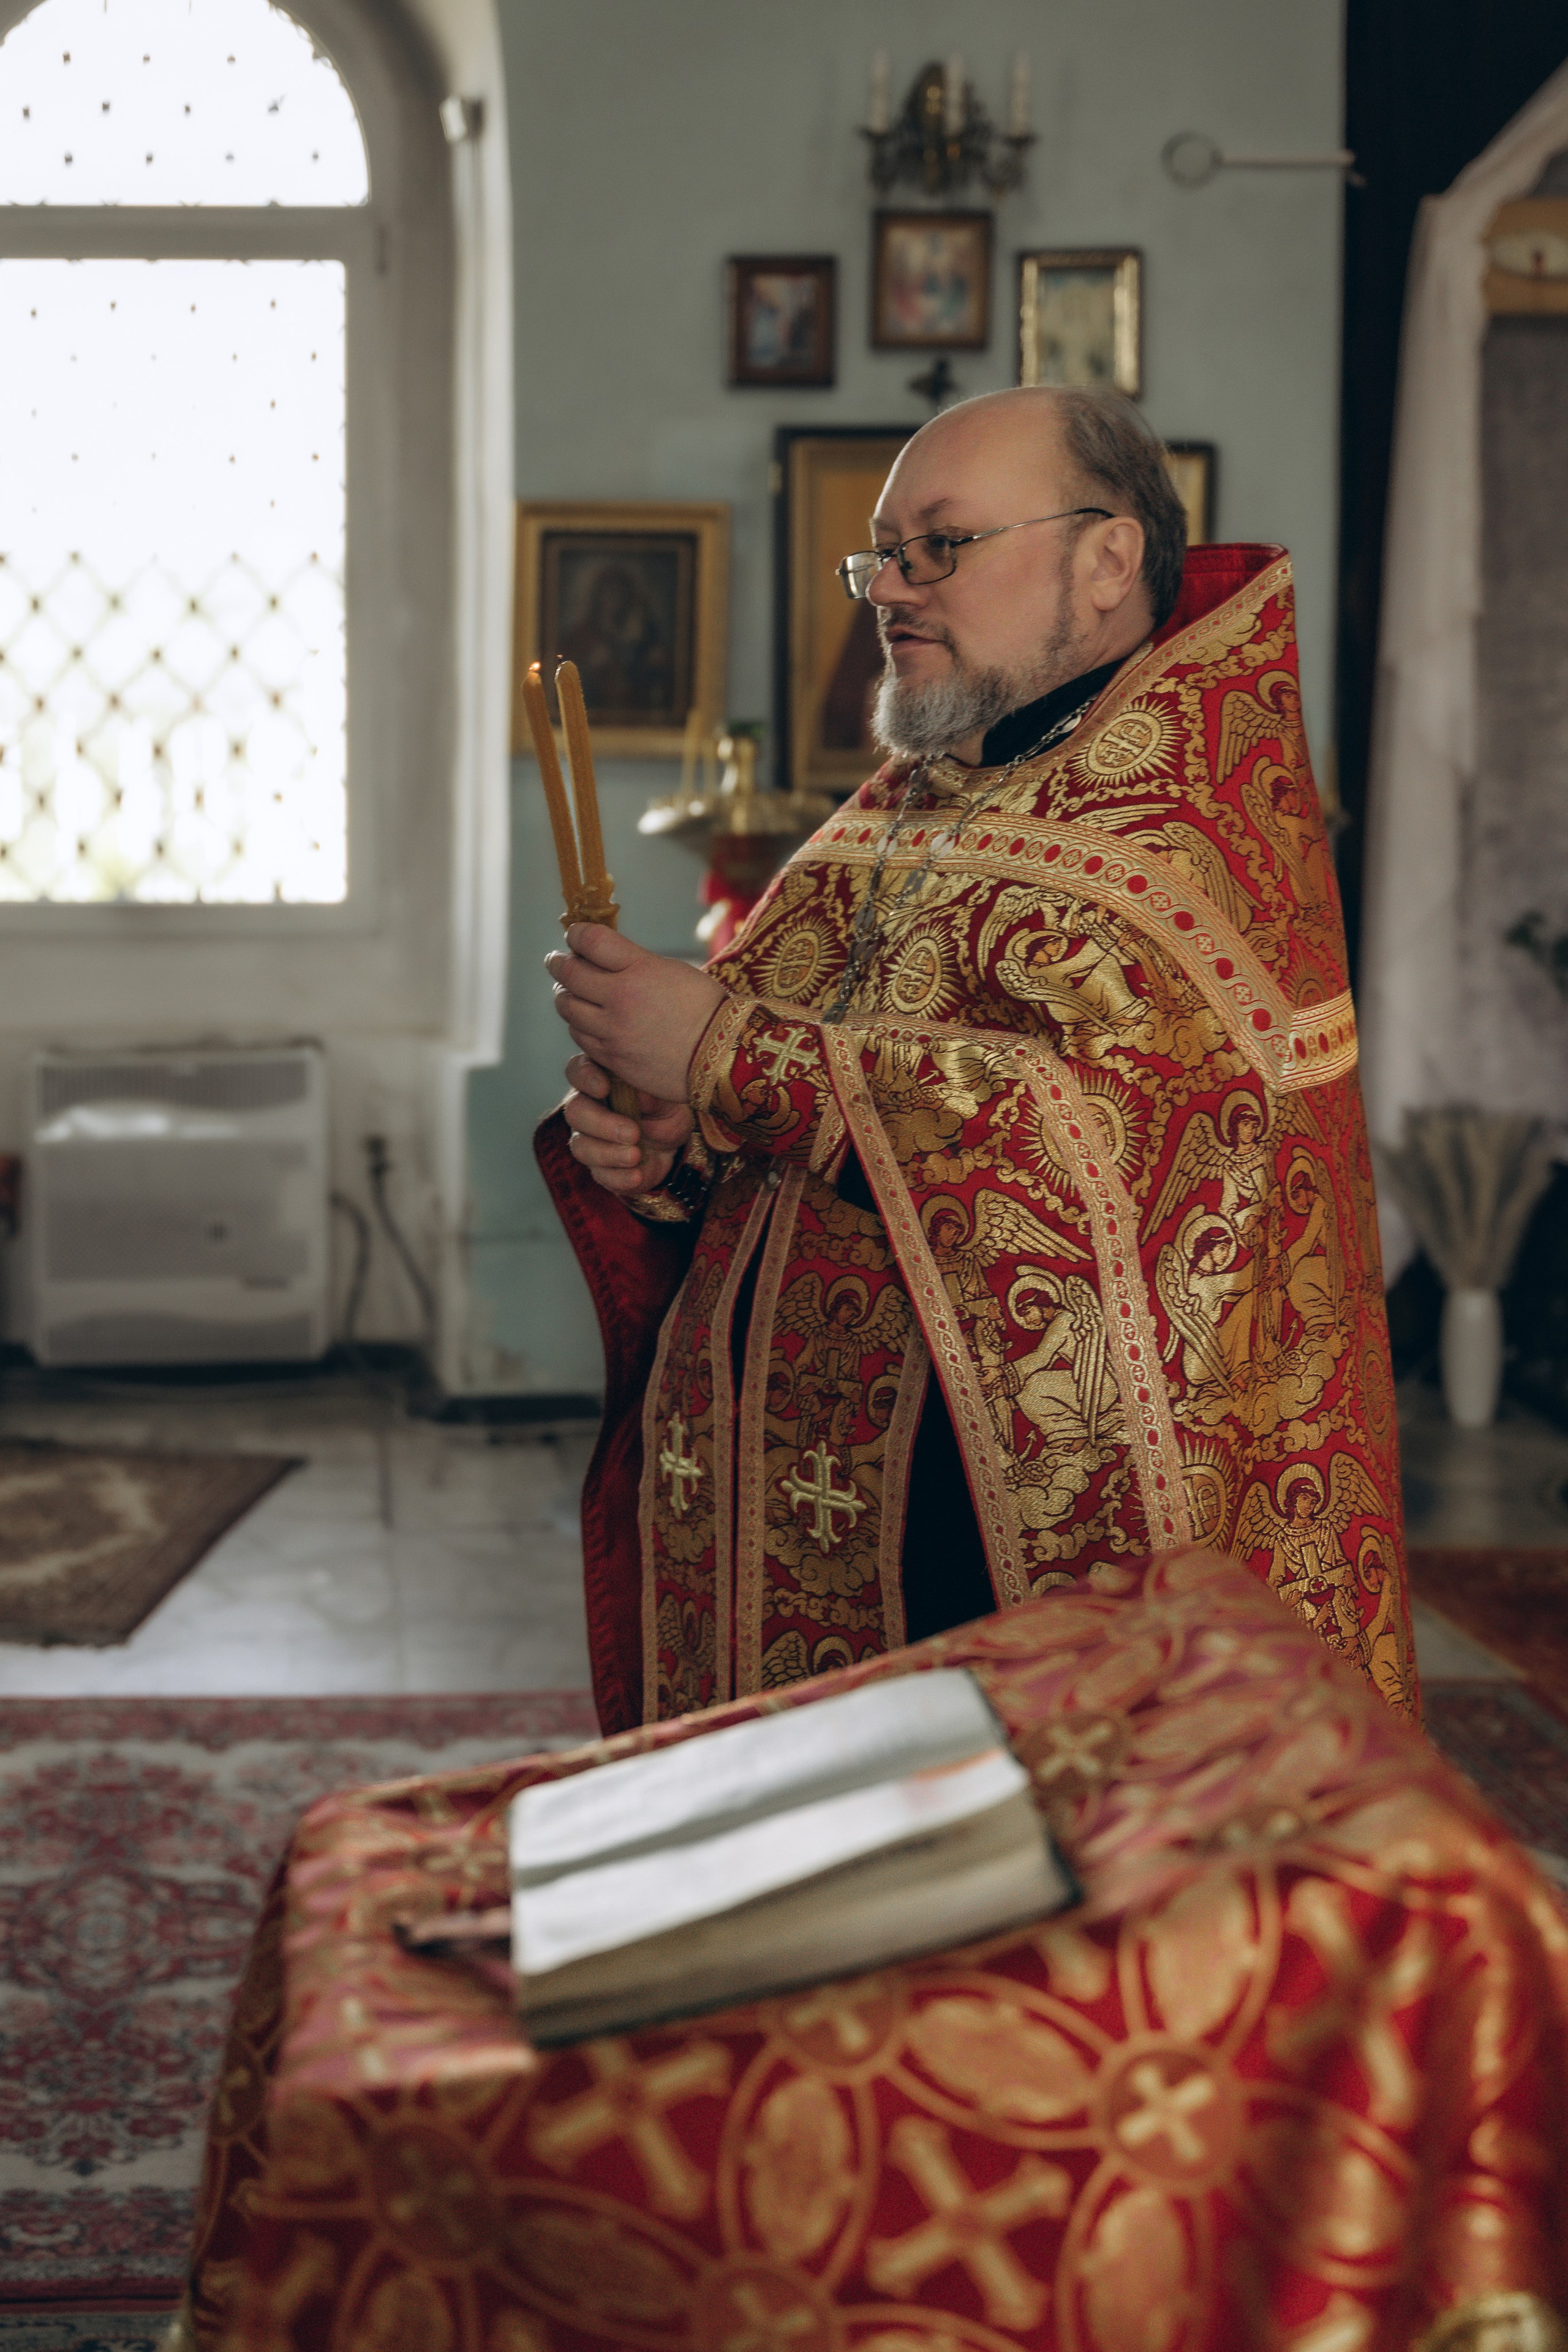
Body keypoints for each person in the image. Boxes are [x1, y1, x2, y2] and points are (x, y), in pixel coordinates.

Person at [540, 385, 1415, 1733]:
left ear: (1107, 557)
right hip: (830, 1515)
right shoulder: (917, 800)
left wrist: (728, 1051)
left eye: (938, 546)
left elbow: (1103, 1155)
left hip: (1007, 1562)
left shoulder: (1183, 824)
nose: (889, 588)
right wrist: (674, 1145)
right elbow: (776, 1122)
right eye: (881, 553)